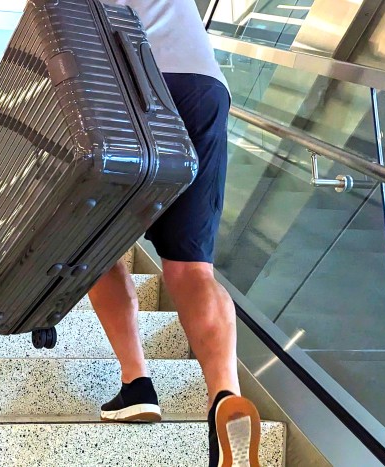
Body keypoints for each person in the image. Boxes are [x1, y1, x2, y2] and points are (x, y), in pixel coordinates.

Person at [90, 1, 261, 466]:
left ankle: (137, 383)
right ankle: (225, 395)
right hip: (201, 83)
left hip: (122, 89)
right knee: (190, 268)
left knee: (90, 245)